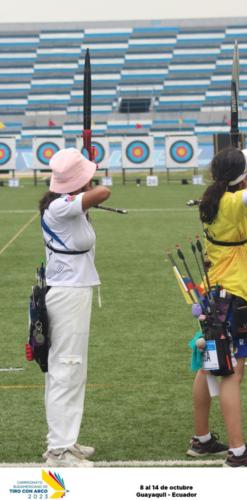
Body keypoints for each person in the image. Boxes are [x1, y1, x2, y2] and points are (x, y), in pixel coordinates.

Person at [186, 146, 247, 467]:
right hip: (232, 297)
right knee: (231, 374)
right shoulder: (233, 202)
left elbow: (246, 195)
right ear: (239, 178)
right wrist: (245, 181)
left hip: (213, 292)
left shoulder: (213, 200)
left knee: (209, 364)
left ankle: (202, 439)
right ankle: (237, 452)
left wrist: (238, 175)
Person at [39, 147, 110, 467]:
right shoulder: (59, 206)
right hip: (67, 296)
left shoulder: (63, 205)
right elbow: (103, 192)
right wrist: (86, 183)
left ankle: (65, 440)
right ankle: (59, 450)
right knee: (66, 369)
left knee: (71, 369)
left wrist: (82, 182)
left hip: (72, 292)